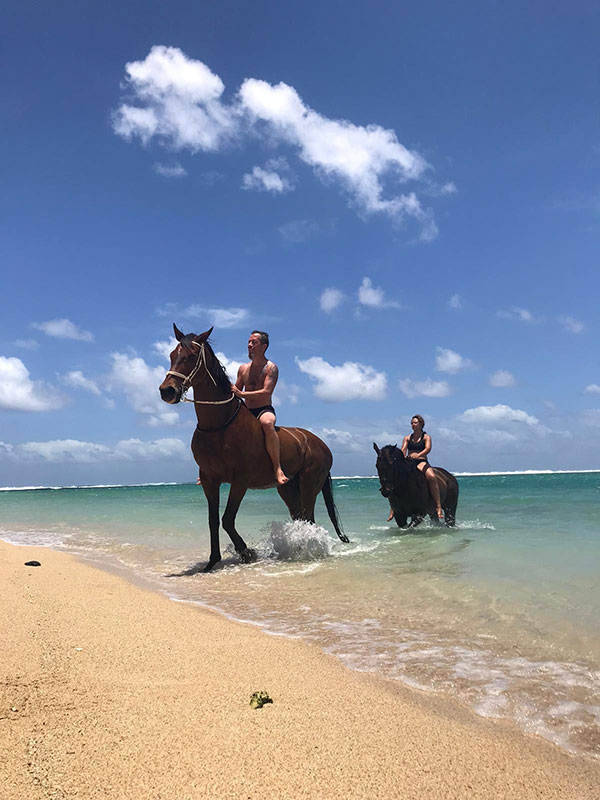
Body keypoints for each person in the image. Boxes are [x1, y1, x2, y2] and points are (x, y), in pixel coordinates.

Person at [231, 330, 289, 486]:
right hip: (245, 411)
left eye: (254, 342)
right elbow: (235, 391)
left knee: (267, 424)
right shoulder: (243, 368)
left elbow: (266, 392)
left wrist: (241, 394)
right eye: (249, 342)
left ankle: (277, 468)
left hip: (263, 409)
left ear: (264, 346)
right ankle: (207, 470)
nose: (250, 345)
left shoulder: (271, 368)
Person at [387, 414, 443, 521]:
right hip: (409, 462)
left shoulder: (426, 437)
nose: (413, 425)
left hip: (421, 461)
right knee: (397, 480)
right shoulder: (407, 437)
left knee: (431, 477)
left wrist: (418, 454)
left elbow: (428, 449)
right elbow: (403, 449)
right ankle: (393, 508)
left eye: (415, 423)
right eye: (412, 423)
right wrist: (402, 457)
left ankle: (438, 506)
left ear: (421, 424)